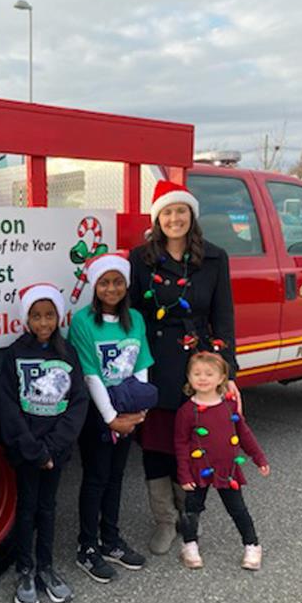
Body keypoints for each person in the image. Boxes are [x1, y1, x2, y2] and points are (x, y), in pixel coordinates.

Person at [128, 180, 239, 556]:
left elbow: (223, 317)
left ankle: (189, 516)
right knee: (157, 446)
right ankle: (164, 519)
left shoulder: (214, 258)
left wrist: (228, 371)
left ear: (191, 215)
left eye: (181, 211)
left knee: (195, 445)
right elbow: (132, 317)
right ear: (158, 219)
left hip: (200, 366)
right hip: (157, 363)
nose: (175, 218)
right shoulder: (139, 259)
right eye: (168, 212)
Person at [0, 283, 88, 603]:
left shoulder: (68, 354)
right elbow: (8, 408)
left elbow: (78, 403)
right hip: (28, 452)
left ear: (58, 317)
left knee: (48, 508)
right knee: (26, 508)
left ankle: (46, 566)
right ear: (26, 319)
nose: (43, 323)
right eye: (36, 316)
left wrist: (52, 448)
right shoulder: (14, 354)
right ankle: (25, 568)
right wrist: (34, 451)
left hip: (56, 452)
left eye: (49, 316)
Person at [68, 252, 154, 583]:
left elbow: (142, 362)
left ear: (126, 285)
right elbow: (90, 374)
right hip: (98, 413)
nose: (111, 288)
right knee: (96, 477)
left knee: (116, 476)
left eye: (117, 281)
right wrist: (111, 418)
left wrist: (137, 410)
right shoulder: (83, 322)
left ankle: (111, 540)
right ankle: (87, 547)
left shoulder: (136, 319)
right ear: (95, 286)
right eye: (104, 282)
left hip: (128, 411)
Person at [175, 351, 269, 570]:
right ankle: (189, 545)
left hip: (227, 470)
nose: (203, 378)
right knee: (192, 508)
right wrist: (184, 474)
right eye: (196, 373)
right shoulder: (187, 411)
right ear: (189, 377)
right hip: (198, 469)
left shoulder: (229, 405)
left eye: (209, 373)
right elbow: (180, 444)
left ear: (221, 378)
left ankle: (252, 544)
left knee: (237, 508)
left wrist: (258, 457)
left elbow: (244, 433)